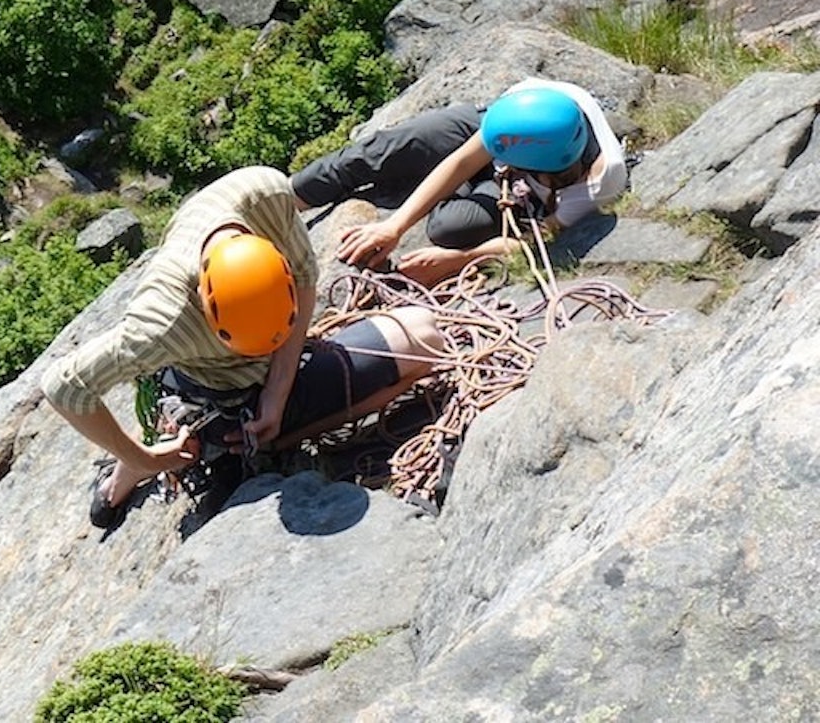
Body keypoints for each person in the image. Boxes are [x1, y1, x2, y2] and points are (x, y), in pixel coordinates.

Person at [40, 165, 443, 530]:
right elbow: (63, 386)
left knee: (426, 333)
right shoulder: (163, 322)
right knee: (426, 338)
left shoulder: (264, 197)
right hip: (223, 398)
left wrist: (279, 389)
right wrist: (147, 459)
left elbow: (303, 276)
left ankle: (207, 442)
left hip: (250, 381)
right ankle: (162, 459)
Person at [291, 77, 629, 285]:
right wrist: (394, 226)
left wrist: (459, 260)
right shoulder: (526, 114)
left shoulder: (600, 180)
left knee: (450, 231)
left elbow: (539, 237)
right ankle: (287, 197)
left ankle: (450, 185)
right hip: (491, 133)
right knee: (379, 151)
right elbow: (463, 159)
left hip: (520, 179)